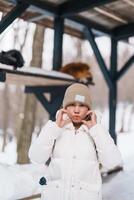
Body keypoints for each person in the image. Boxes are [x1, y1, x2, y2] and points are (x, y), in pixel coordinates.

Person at [28, 83, 122, 200]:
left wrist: (96, 129)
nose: (76, 110)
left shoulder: (97, 131)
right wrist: (55, 128)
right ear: (65, 107)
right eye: (72, 105)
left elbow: (113, 161)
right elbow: (36, 157)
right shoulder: (55, 129)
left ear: (88, 108)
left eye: (82, 105)